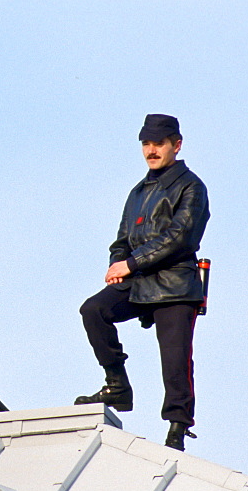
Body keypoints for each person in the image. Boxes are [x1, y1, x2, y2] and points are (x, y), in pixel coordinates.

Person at [75, 114, 210, 451]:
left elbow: (180, 237)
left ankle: (177, 428)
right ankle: (117, 385)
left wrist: (130, 263)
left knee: (175, 359)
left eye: (159, 144)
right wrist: (116, 265)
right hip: (137, 280)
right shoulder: (139, 191)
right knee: (93, 310)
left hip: (175, 282)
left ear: (176, 145)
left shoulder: (192, 187)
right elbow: (122, 239)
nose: (151, 150)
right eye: (146, 144)